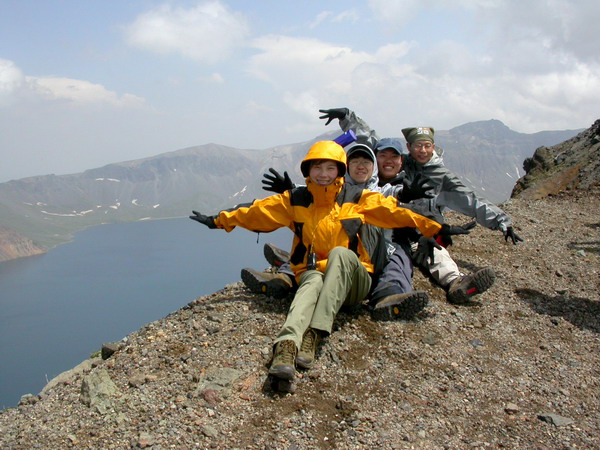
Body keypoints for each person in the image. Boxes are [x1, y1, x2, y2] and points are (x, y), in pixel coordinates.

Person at [190, 140, 445, 390]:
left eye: (330, 168)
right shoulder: (295, 200)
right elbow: (257, 211)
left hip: (353, 283)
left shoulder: (357, 197)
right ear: (308, 170)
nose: (323, 174)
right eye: (317, 167)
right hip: (315, 275)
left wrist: (436, 228)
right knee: (311, 278)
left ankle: (315, 332)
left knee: (340, 254)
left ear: (339, 171)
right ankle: (286, 347)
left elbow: (395, 211)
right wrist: (219, 220)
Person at [319, 107, 521, 304]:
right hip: (374, 232)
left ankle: (456, 283)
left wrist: (500, 220)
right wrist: (347, 117)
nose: (422, 151)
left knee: (432, 251)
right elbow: (368, 140)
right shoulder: (370, 174)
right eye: (418, 145)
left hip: (411, 232)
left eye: (426, 145)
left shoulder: (425, 177)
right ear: (408, 148)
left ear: (402, 159)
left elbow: (462, 199)